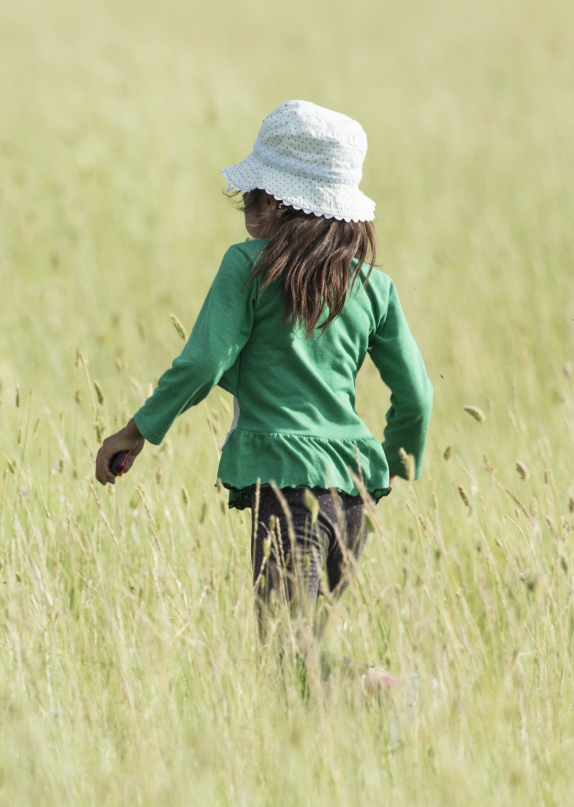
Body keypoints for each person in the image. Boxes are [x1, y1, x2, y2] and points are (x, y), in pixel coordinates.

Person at [95, 100, 432, 677]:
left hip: (287, 493)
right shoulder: (375, 288)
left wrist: (136, 431)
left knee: (286, 661)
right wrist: (392, 473)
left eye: (253, 192)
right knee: (304, 663)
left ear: (277, 200)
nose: (246, 206)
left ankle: (389, 690)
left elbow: (203, 363)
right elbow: (418, 396)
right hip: (354, 496)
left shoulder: (248, 266)